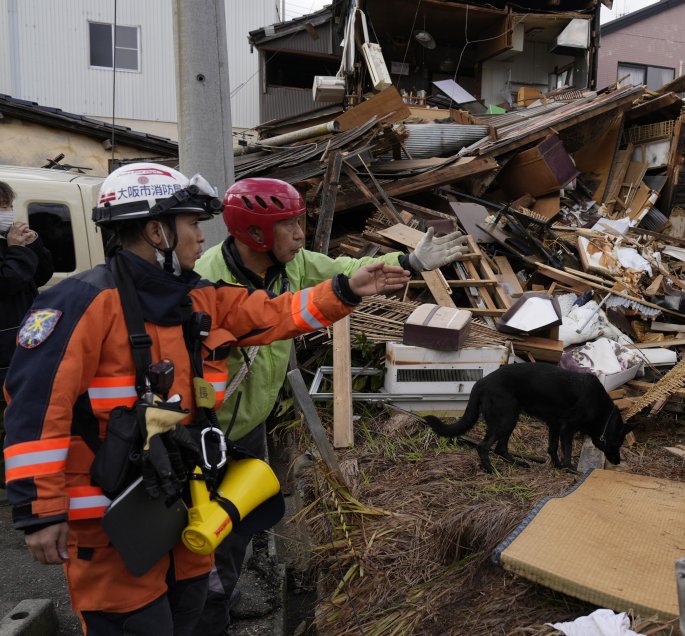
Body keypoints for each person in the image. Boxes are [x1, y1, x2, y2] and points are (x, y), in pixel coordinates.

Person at [1, 163, 410, 635]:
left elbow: (274, 314)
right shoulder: (79, 304)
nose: (201, 236)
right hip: (113, 521)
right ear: (157, 231)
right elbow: (34, 413)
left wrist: (347, 289)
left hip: (185, 502)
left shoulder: (196, 298)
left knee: (195, 617)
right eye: (192, 223)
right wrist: (39, 510)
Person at [191, 177, 469, 634]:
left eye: (300, 222)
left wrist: (408, 260)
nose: (300, 234)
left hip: (252, 422)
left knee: (239, 521)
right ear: (256, 234)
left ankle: (224, 589)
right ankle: (209, 612)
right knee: (210, 527)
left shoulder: (294, 263)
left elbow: (344, 266)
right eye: (289, 225)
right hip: (209, 431)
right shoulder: (207, 279)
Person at [0, 180, 54, 492]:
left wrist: (33, 244)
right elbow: (8, 280)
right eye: (3, 207)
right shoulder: (9, 246)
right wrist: (17, 250)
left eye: (8, 206)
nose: (8, 213)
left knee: (23, 411)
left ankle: (23, 475)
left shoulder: (9, 242)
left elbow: (40, 274)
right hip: (4, 348)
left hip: (23, 341)